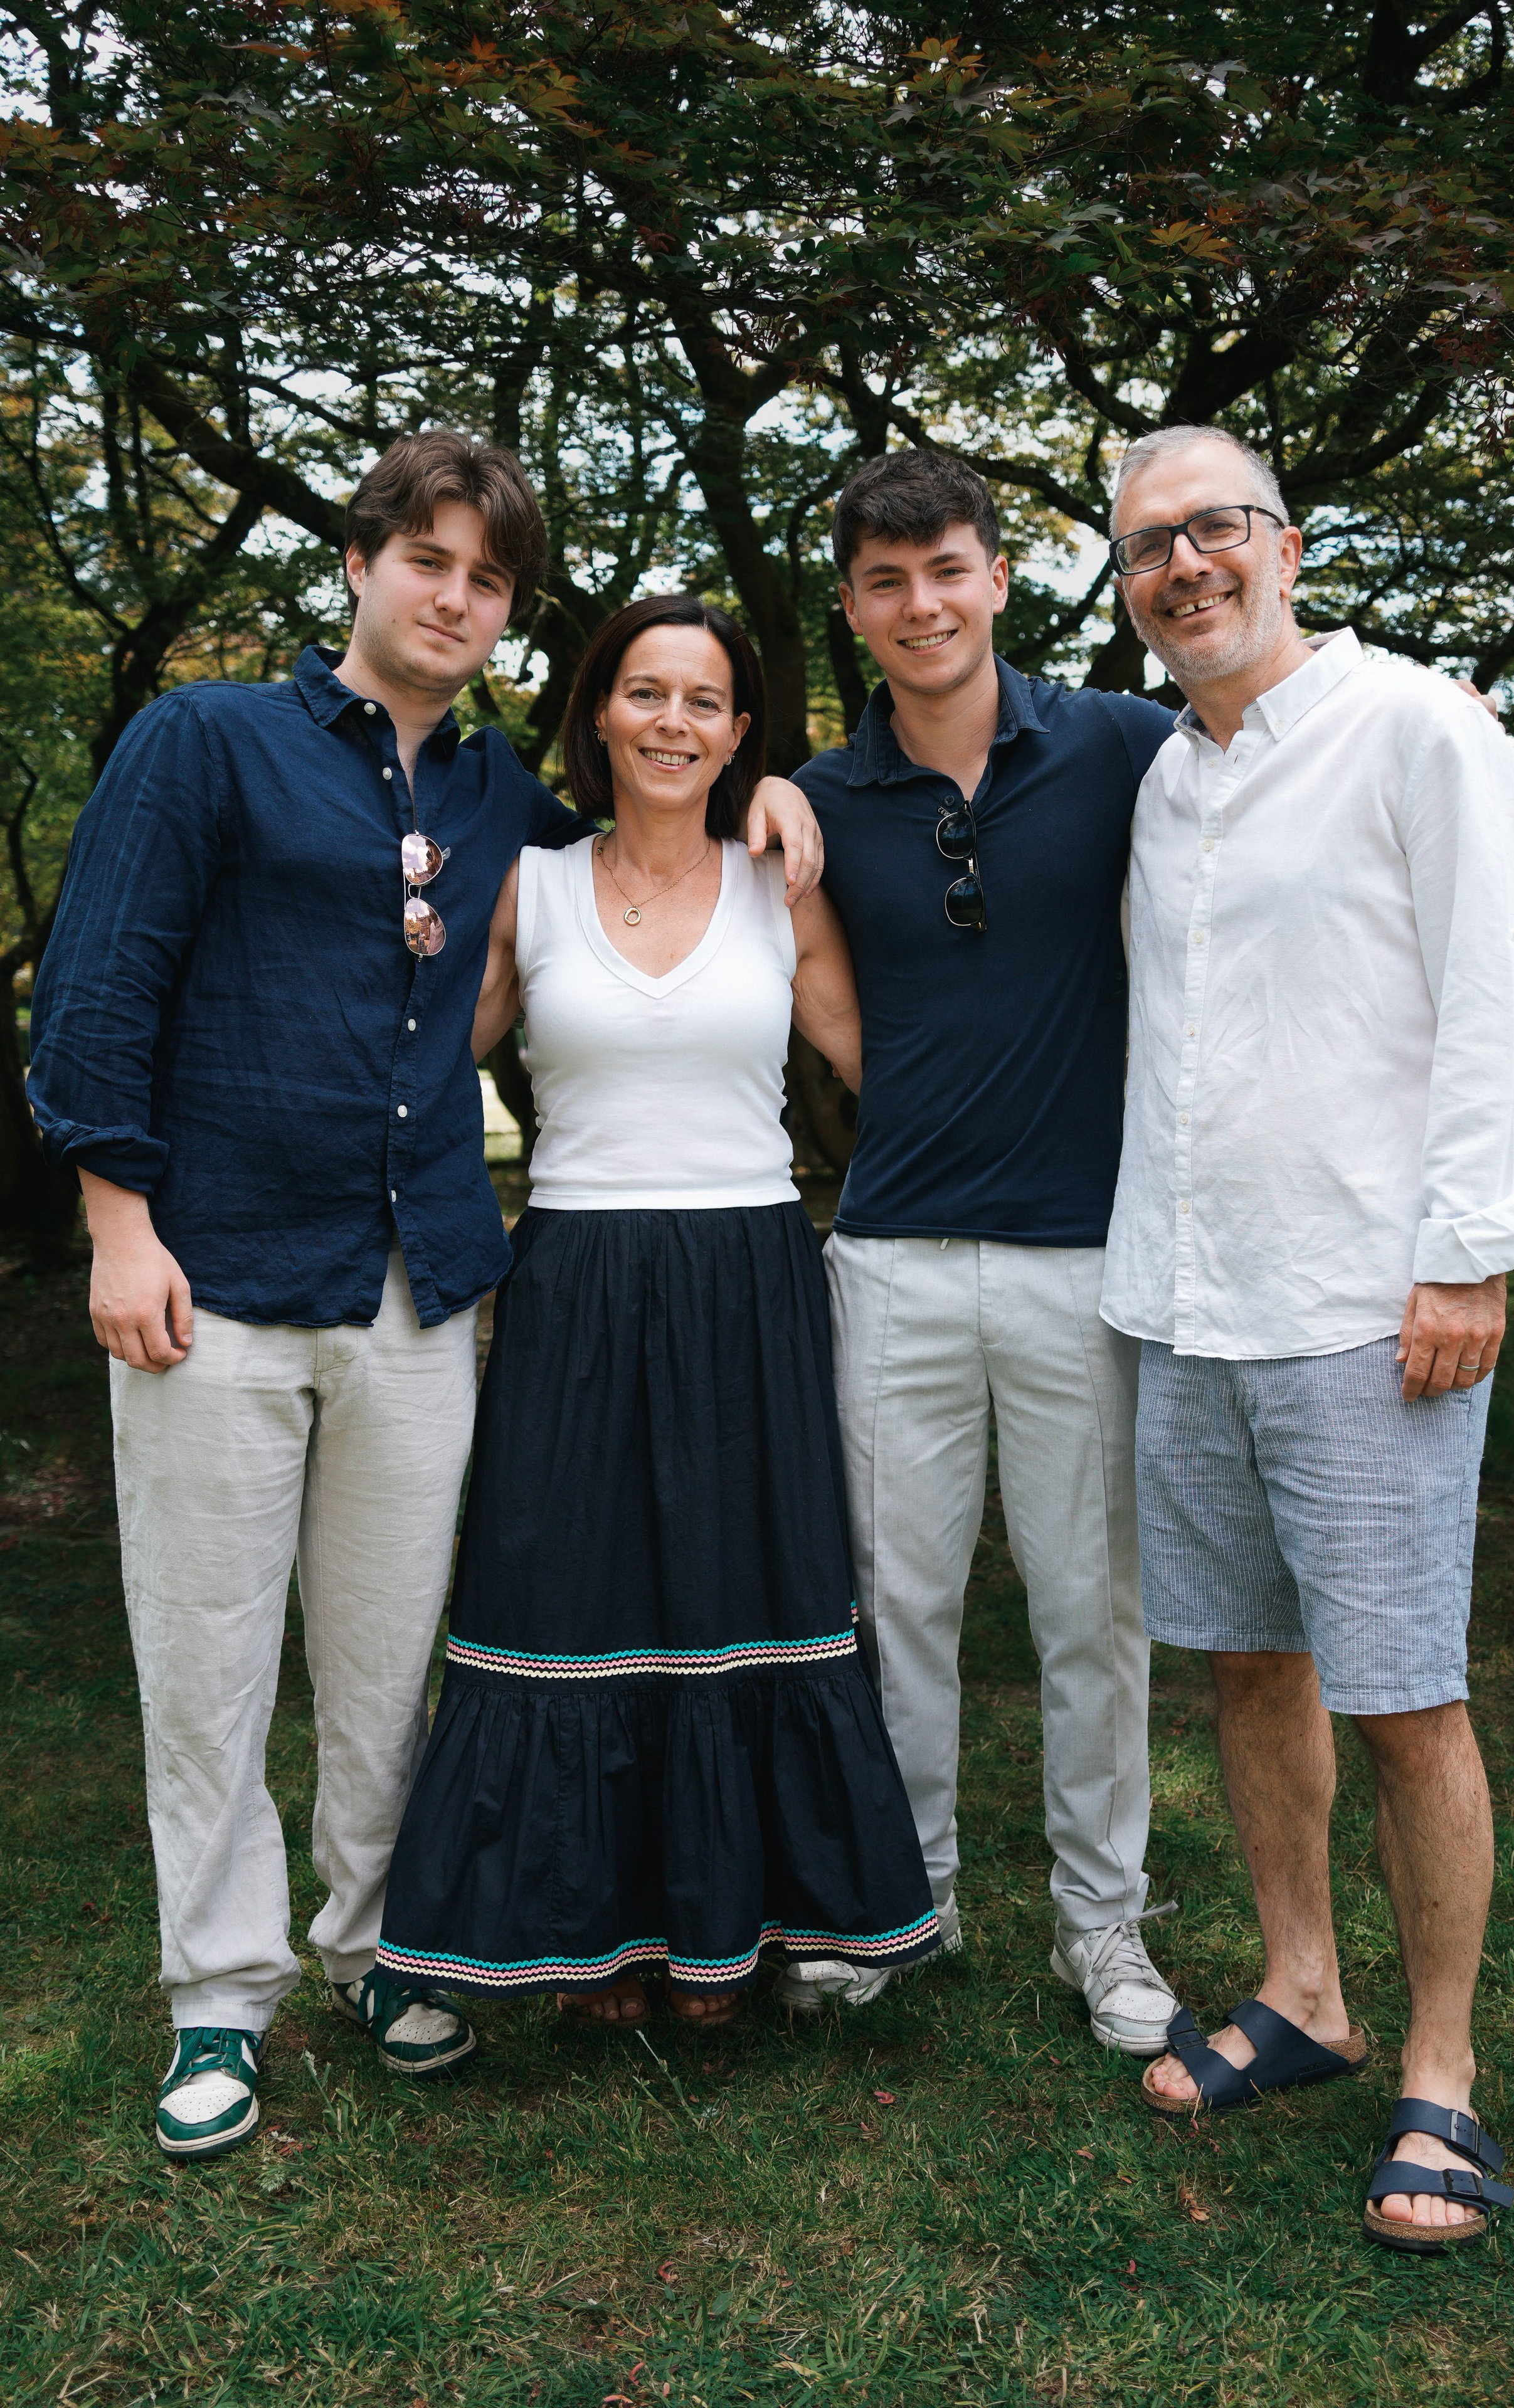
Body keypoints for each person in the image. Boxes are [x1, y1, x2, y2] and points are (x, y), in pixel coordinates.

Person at [26, 433, 823, 2159]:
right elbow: (97, 994)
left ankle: (379, 1948)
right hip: (213, 1276)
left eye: (490, 581)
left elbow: (639, 847)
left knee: (394, 1658)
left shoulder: (491, 805)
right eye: (429, 563)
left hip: (419, 1289)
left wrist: (780, 799)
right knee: (211, 1652)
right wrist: (117, 1223)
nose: (456, 598)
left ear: (512, 615)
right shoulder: (204, 742)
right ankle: (221, 2000)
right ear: (361, 565)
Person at [1099, 424, 1514, 2249]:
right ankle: (1303, 1990)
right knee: (1241, 1664)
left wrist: (1469, 1259)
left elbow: (1504, 996)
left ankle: (1441, 2080)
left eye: (1214, 528)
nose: (1184, 566)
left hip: (1367, 1311)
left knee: (1403, 1693)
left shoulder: (1419, 731)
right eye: (1149, 546)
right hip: (1189, 1297)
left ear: (1287, 545)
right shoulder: (1164, 777)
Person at [374, 595, 937, 2024]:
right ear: (599, 715)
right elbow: (417, 1063)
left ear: (740, 731)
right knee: (570, 1593)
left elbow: (897, 1067)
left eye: (703, 700)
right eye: (644, 693)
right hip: (573, 1274)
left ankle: (728, 1931)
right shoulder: (532, 885)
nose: (672, 722)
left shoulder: (780, 885)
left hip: (747, 1274)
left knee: (741, 1595)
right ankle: (595, 1933)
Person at [777, 452, 1182, 2052]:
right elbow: (805, 984)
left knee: (1094, 1613)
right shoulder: (811, 796)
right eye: (884, 581)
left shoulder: (1126, 745)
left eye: (945, 568)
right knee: (897, 1607)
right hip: (887, 1255)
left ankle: (1104, 1926)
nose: (919, 604)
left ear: (997, 576)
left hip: (1086, 1257)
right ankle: (907, 1901)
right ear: (853, 607)